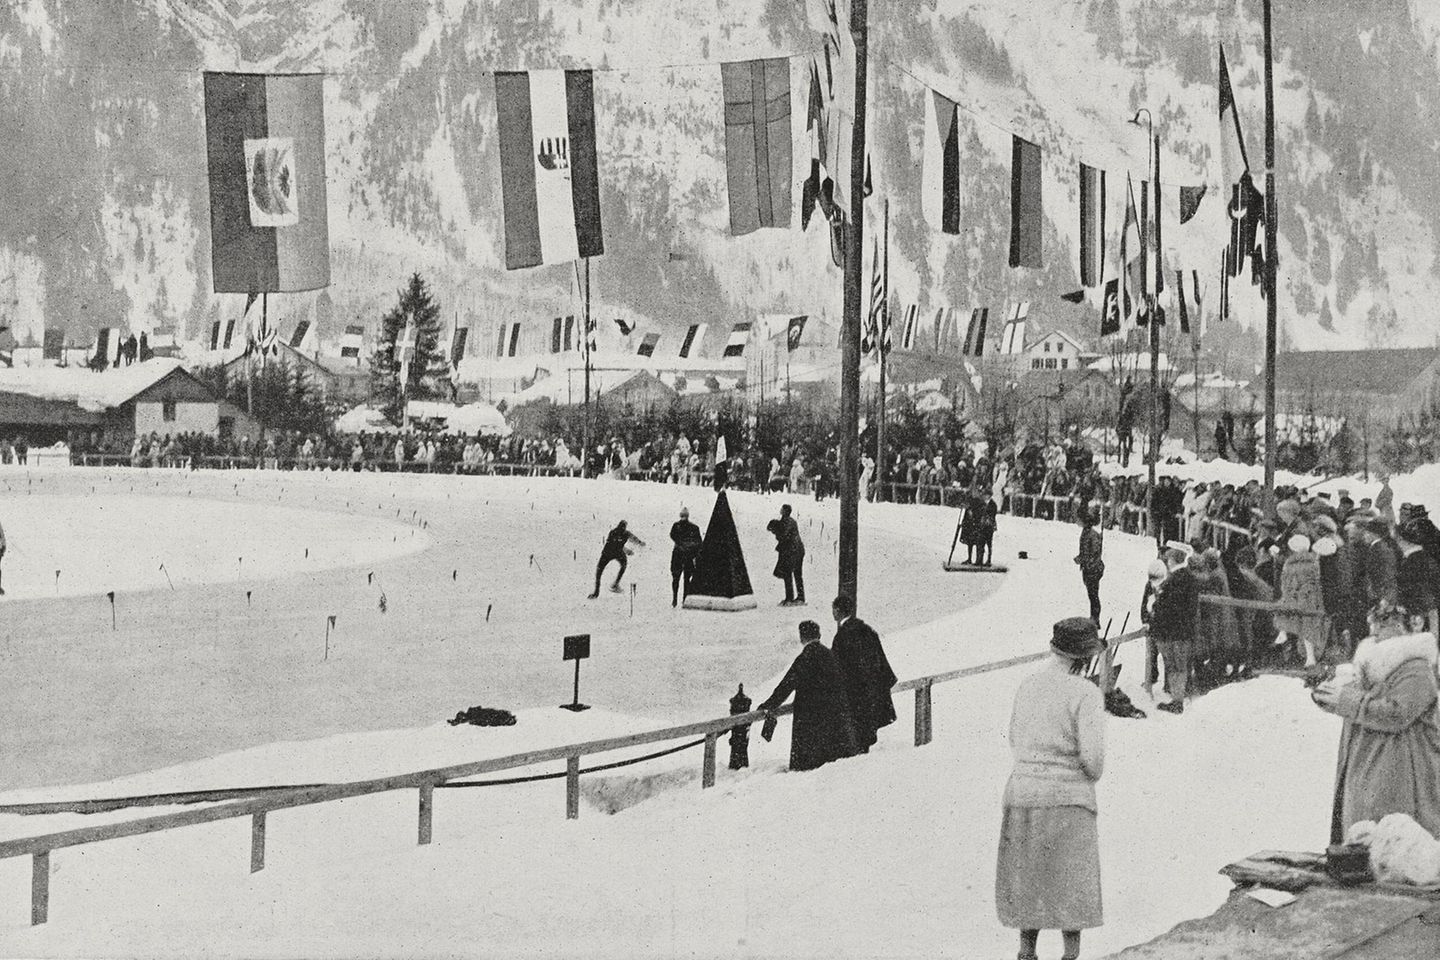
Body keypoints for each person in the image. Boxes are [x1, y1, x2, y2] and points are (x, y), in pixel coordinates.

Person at [996, 617, 1107, 960]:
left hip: (1023, 795)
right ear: (1085, 657)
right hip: (1069, 801)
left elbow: (1015, 739)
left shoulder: (1027, 685)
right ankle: (1069, 956)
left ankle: (1026, 953)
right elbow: (1094, 763)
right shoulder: (1086, 693)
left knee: (1029, 882)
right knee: (1069, 889)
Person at [1314, 601, 1440, 845]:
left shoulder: (1417, 668)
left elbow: (1397, 713)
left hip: (1401, 778)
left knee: (1396, 846)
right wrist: (1333, 696)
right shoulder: (1370, 664)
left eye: (1385, 623)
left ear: (1410, 625)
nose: (1375, 631)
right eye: (1373, 622)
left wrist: (1348, 702)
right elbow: (1362, 699)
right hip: (1367, 771)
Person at [759, 620, 857, 771]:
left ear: (801, 637)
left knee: (809, 766)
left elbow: (785, 687)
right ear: (819, 635)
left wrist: (768, 705)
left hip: (810, 721)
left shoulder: (804, 658)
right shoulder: (831, 655)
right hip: (835, 719)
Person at [830, 595, 896, 754]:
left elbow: (836, 668)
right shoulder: (867, 630)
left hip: (852, 695)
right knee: (865, 734)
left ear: (838, 611)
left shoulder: (842, 636)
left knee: (853, 736)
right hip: (871, 692)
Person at [1150, 548, 1201, 714]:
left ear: (1172, 561)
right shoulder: (1191, 579)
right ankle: (1178, 698)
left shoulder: (1172, 580)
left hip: (1171, 631)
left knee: (1173, 667)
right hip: (1185, 630)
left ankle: (1176, 700)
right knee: (1181, 667)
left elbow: (1166, 606)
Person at [588, 520, 645, 599]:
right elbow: (615, 545)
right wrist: (627, 550)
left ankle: (610, 586)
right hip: (608, 552)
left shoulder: (623, 533)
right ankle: (600, 591)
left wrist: (639, 542)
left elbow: (633, 538)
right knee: (600, 571)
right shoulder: (614, 533)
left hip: (612, 553)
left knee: (600, 571)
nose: (621, 529)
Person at [766, 504, 806, 606]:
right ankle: (799, 597)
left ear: (785, 511)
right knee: (795, 574)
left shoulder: (787, 522)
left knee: (789, 573)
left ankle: (791, 598)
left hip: (793, 551)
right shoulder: (787, 521)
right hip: (795, 550)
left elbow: (784, 536)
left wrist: (776, 532)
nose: (780, 510)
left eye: (782, 509)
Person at [668, 507, 703, 608]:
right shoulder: (694, 527)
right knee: (685, 579)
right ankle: (683, 599)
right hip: (688, 556)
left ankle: (675, 599)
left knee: (676, 578)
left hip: (678, 555)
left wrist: (681, 544)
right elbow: (699, 542)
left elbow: (672, 536)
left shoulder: (676, 526)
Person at [1074, 507, 1104, 625]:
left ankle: (1095, 619)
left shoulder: (1092, 534)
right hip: (1088, 568)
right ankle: (1094, 617)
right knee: (1092, 594)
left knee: (1093, 595)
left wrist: (1082, 559)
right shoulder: (1086, 532)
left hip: (1093, 568)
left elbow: (1094, 552)